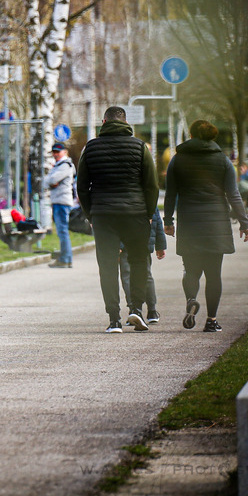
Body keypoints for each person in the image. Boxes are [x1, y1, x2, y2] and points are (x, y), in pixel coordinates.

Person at [76, 106, 158, 334]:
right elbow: (151, 185)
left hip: (103, 215)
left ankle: (114, 319)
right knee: (140, 261)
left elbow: (82, 186)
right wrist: (149, 213)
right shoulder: (139, 146)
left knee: (108, 266)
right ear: (125, 122)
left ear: (104, 122)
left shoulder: (90, 148)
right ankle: (137, 310)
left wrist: (91, 213)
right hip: (136, 214)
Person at [163, 119, 248, 333]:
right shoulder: (222, 160)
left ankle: (192, 299)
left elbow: (171, 194)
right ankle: (211, 321)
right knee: (214, 274)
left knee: (191, 270)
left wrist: (168, 222)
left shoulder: (178, 159)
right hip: (216, 224)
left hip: (190, 222)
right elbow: (233, 194)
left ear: (191, 136)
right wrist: (244, 222)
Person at [121, 208, 166, 324]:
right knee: (146, 274)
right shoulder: (150, 195)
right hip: (145, 241)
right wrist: (160, 245)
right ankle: (152, 310)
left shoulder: (127, 195)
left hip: (127, 241)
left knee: (127, 275)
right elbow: (158, 221)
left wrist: (118, 244)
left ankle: (134, 310)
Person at [46, 141, 75, 269]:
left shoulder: (65, 165)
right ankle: (66, 258)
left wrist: (51, 181)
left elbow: (50, 180)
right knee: (62, 231)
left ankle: (65, 259)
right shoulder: (58, 165)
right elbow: (48, 181)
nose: (55, 154)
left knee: (62, 231)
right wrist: (50, 181)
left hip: (62, 201)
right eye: (54, 152)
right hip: (59, 200)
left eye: (58, 151)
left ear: (65, 152)